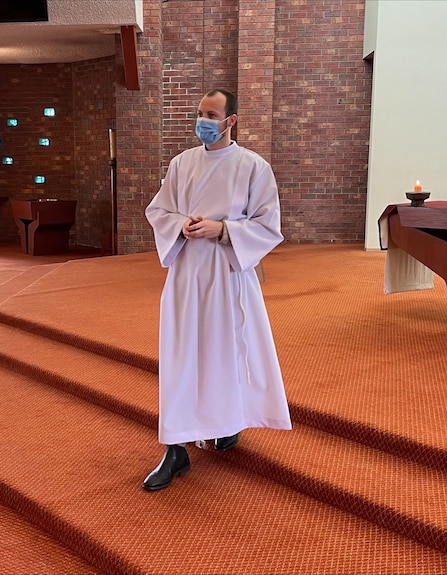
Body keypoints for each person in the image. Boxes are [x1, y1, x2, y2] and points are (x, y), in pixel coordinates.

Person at [142, 88, 292, 491]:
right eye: (201, 113)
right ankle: (176, 447)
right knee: (181, 354)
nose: (204, 122)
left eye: (212, 115)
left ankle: (226, 422)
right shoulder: (182, 164)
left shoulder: (252, 167)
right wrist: (181, 225)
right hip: (188, 275)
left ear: (231, 121)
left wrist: (223, 229)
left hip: (227, 275)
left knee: (224, 352)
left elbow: (268, 224)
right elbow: (159, 210)